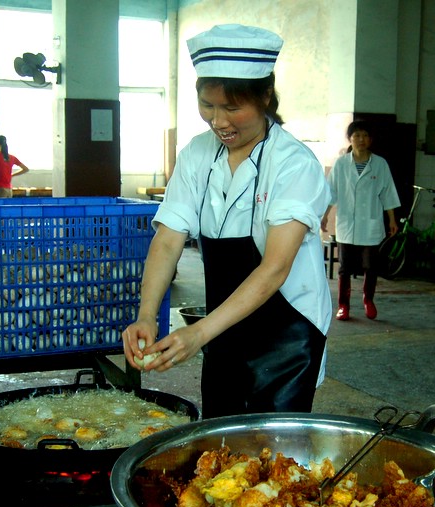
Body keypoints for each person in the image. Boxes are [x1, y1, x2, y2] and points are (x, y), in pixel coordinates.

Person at [122, 24, 332, 418]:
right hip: (224, 323)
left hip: (287, 333)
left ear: (265, 96)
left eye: (232, 108)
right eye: (207, 105)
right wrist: (146, 316)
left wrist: (198, 333)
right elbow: (168, 240)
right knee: (219, 433)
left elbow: (275, 267)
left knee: (273, 443)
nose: (218, 121)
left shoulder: (293, 163)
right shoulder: (196, 155)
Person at [322, 120, 400, 321]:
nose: (361, 139)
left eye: (365, 135)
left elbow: (388, 193)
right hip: (347, 223)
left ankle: (368, 300)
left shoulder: (380, 164)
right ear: (350, 139)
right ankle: (343, 305)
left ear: (370, 139)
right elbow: (331, 192)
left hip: (370, 224)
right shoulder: (341, 163)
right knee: (344, 268)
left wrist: (392, 220)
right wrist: (325, 215)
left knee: (370, 266)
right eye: (357, 135)